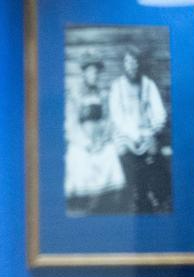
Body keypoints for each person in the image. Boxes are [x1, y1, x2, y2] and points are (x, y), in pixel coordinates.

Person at [108, 48, 170, 213]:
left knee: (153, 152)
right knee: (122, 151)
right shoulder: (117, 86)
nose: (132, 66)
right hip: (125, 134)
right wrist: (132, 135)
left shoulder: (149, 85)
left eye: (135, 61)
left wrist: (151, 131)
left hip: (146, 133)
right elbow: (116, 116)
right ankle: (132, 195)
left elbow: (160, 113)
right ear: (124, 64)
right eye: (128, 62)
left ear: (139, 64)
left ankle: (152, 195)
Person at [63, 56, 126, 215]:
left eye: (96, 72)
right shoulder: (75, 95)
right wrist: (86, 143)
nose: (94, 75)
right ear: (84, 73)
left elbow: (107, 119)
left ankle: (105, 202)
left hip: (99, 140)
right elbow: (71, 123)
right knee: (78, 158)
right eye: (90, 72)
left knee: (110, 153)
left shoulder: (102, 95)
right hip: (81, 140)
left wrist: (101, 140)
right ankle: (84, 203)